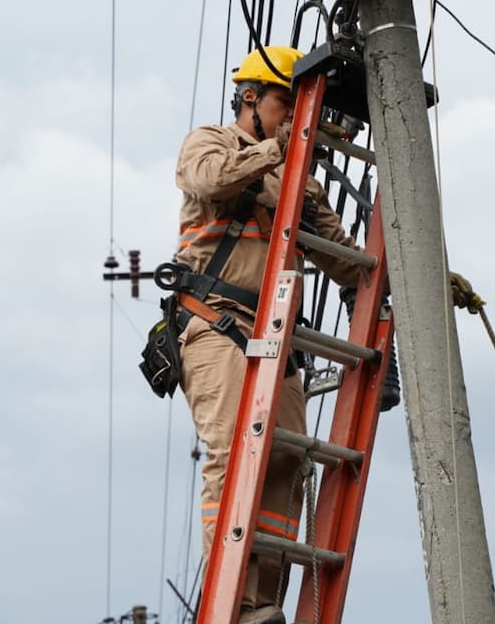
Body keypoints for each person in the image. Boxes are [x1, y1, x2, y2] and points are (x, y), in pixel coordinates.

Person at [172, 45, 366, 624]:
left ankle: (261, 606)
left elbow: (349, 260)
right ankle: (229, 602)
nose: (295, 112)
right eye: (288, 100)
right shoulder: (212, 142)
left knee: (283, 465)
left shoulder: (296, 178)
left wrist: (428, 274)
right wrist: (277, 150)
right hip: (215, 324)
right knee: (234, 453)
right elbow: (209, 181)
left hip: (275, 341)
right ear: (251, 98)